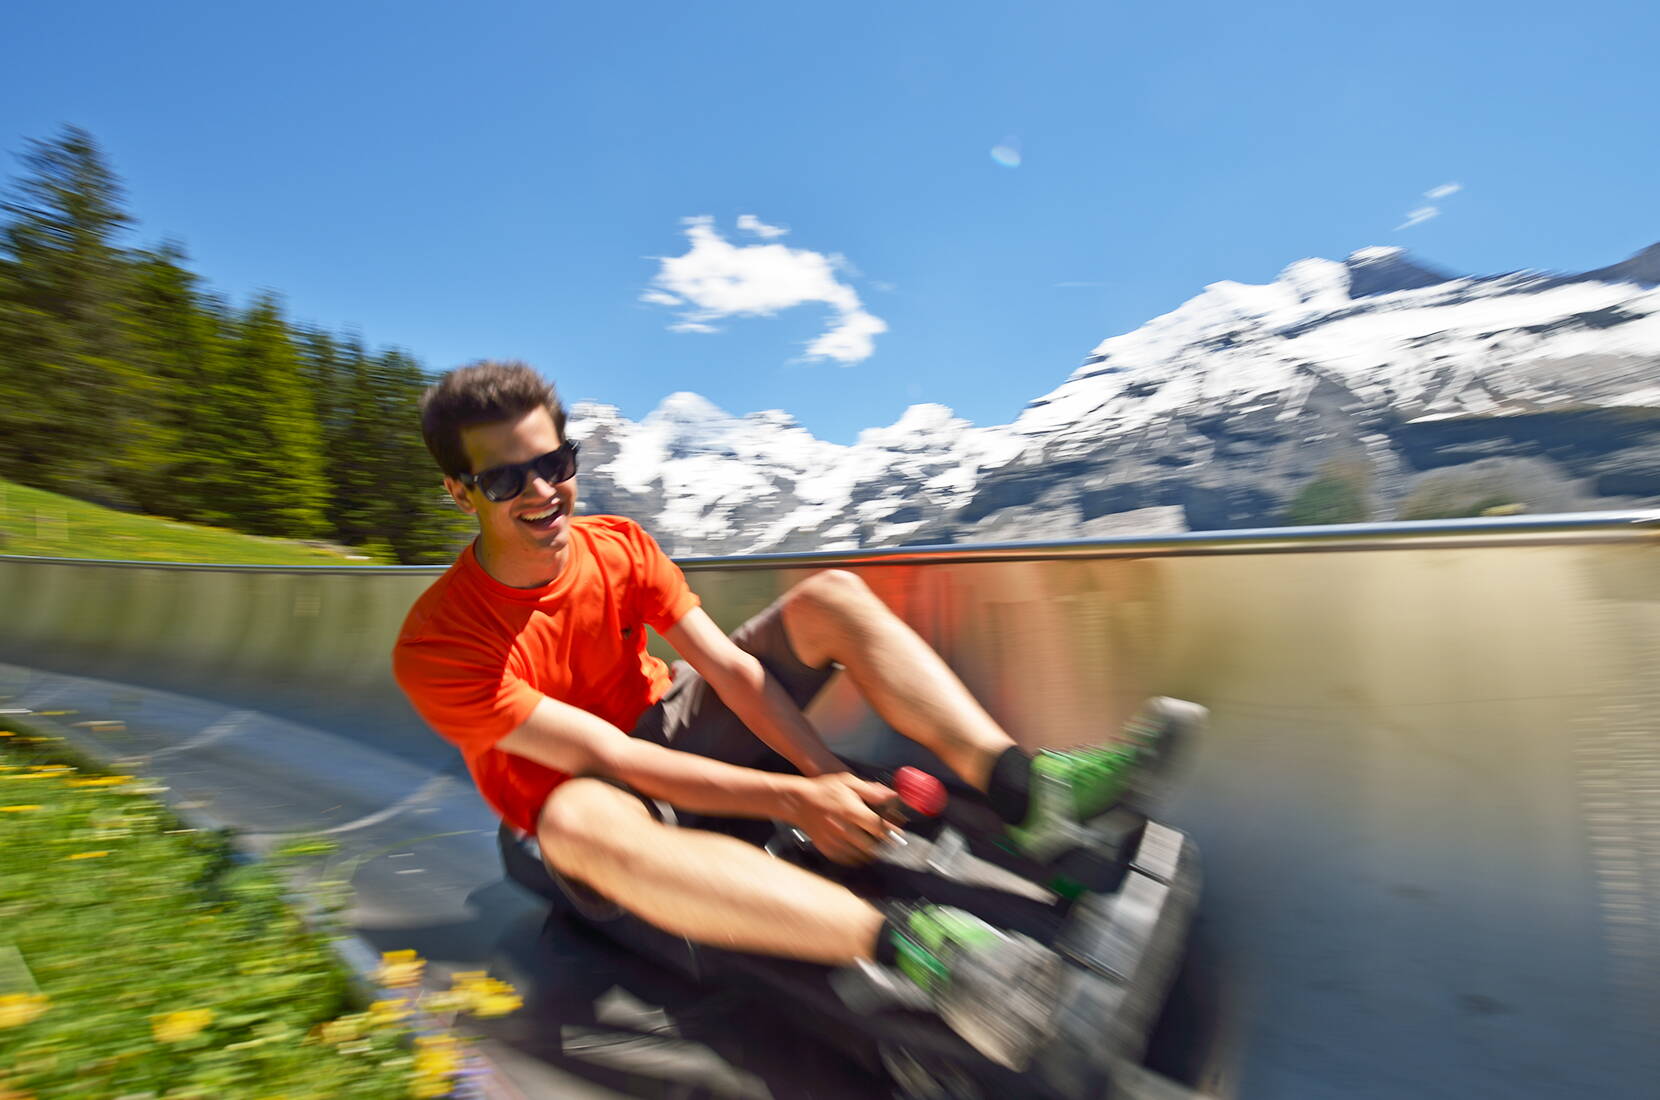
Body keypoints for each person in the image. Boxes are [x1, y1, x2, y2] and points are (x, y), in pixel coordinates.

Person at [392, 361, 1199, 1070]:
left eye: (554, 462)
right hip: (578, 790)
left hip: (668, 719)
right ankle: (923, 951)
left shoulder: (619, 545)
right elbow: (611, 760)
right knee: (577, 821)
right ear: (460, 491)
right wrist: (790, 799)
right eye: (506, 479)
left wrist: (829, 775)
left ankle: (1032, 793)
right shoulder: (439, 642)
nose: (542, 491)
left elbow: (733, 671)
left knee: (831, 599)